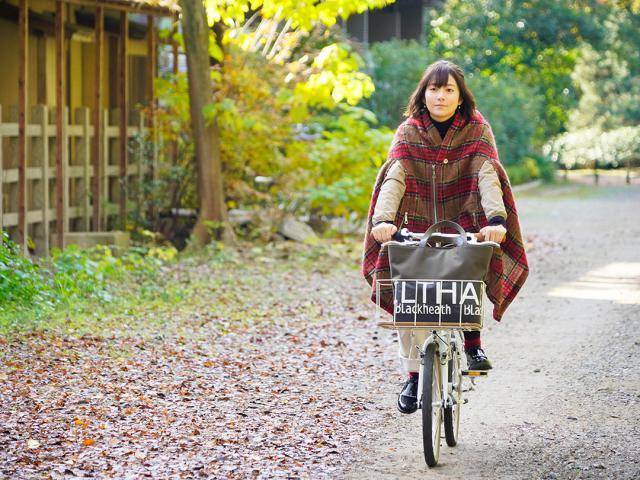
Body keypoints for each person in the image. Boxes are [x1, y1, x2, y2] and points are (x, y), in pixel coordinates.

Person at [361, 60, 529, 414]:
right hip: (419, 224)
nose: (440, 96)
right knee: (409, 300)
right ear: (423, 94)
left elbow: (487, 175)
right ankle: (413, 376)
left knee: (468, 273)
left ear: (460, 96)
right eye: (434, 89)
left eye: (448, 89)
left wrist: (496, 220)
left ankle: (472, 343)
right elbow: (395, 178)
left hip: (464, 221)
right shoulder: (407, 131)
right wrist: (383, 220)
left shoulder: (477, 130)